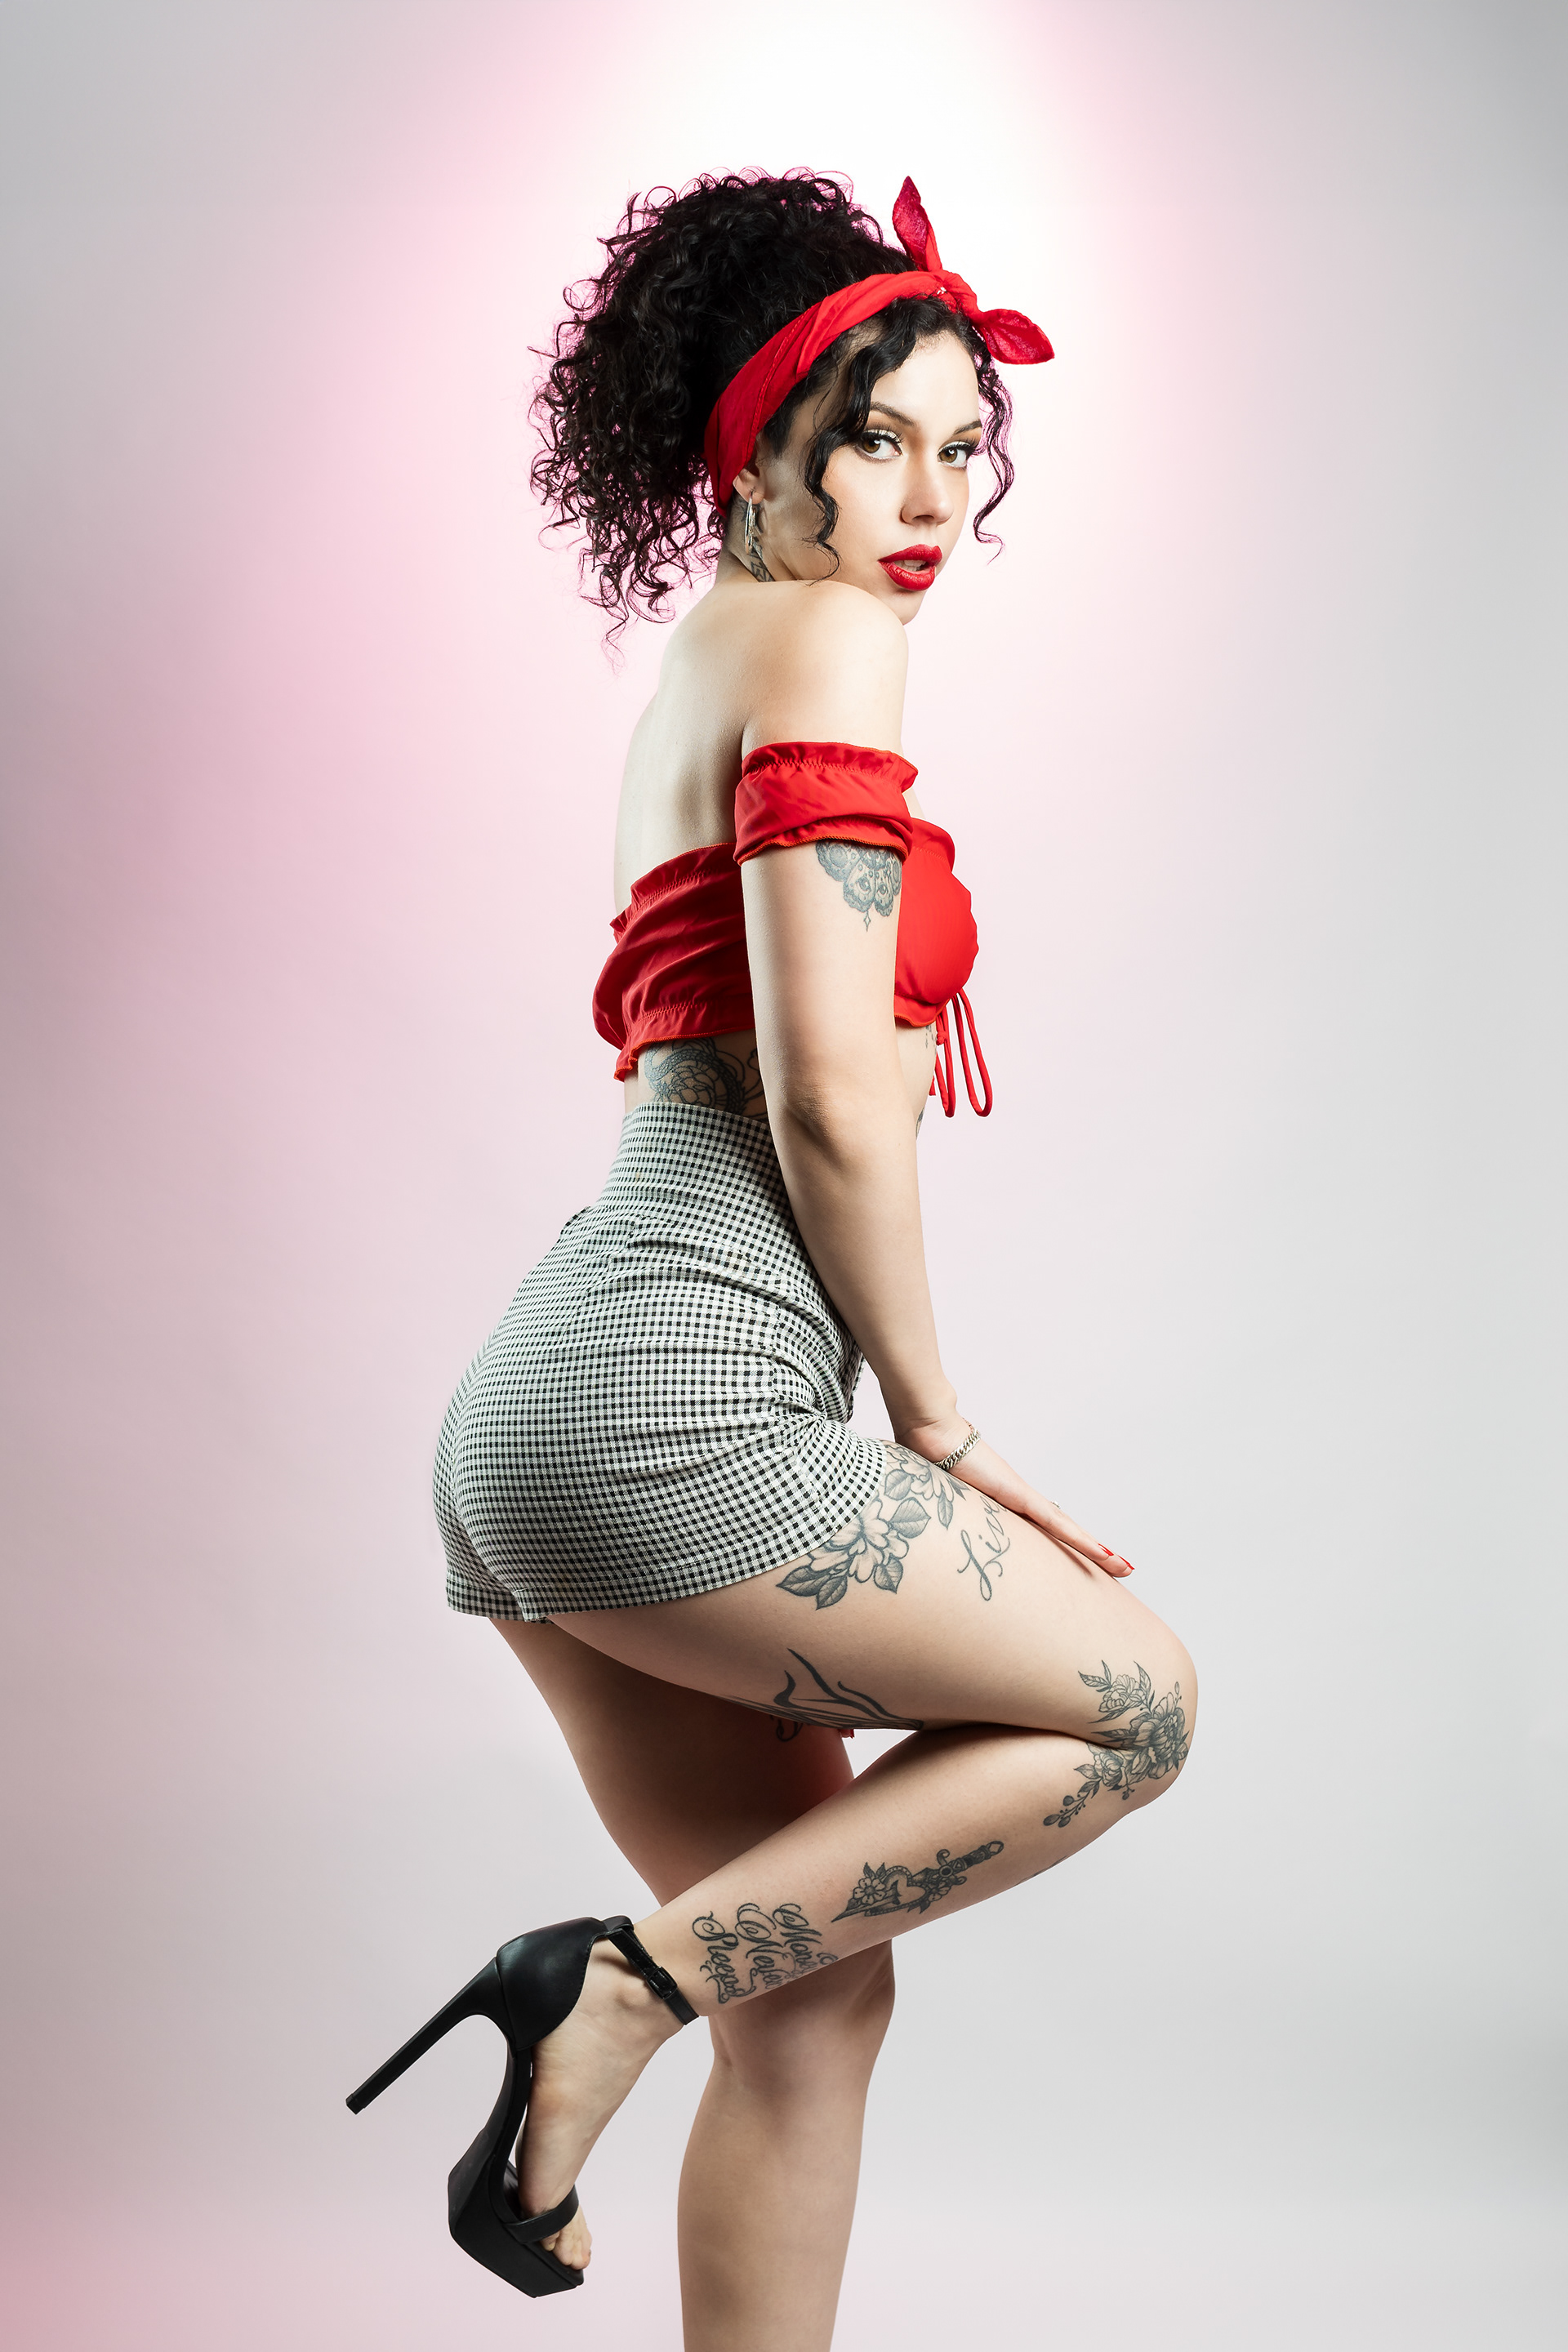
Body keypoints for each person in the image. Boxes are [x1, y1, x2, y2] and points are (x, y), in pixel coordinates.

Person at [347, 170, 1196, 2350]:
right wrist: (938, 1422)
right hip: (678, 1406)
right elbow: (826, 1093)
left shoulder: (710, 654)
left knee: (809, 2001)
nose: (932, 499)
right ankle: (610, 1993)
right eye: (877, 440)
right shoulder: (830, 642)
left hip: (546, 1419)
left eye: (965, 447)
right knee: (1135, 1709)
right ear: (767, 441)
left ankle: (642, 2007)